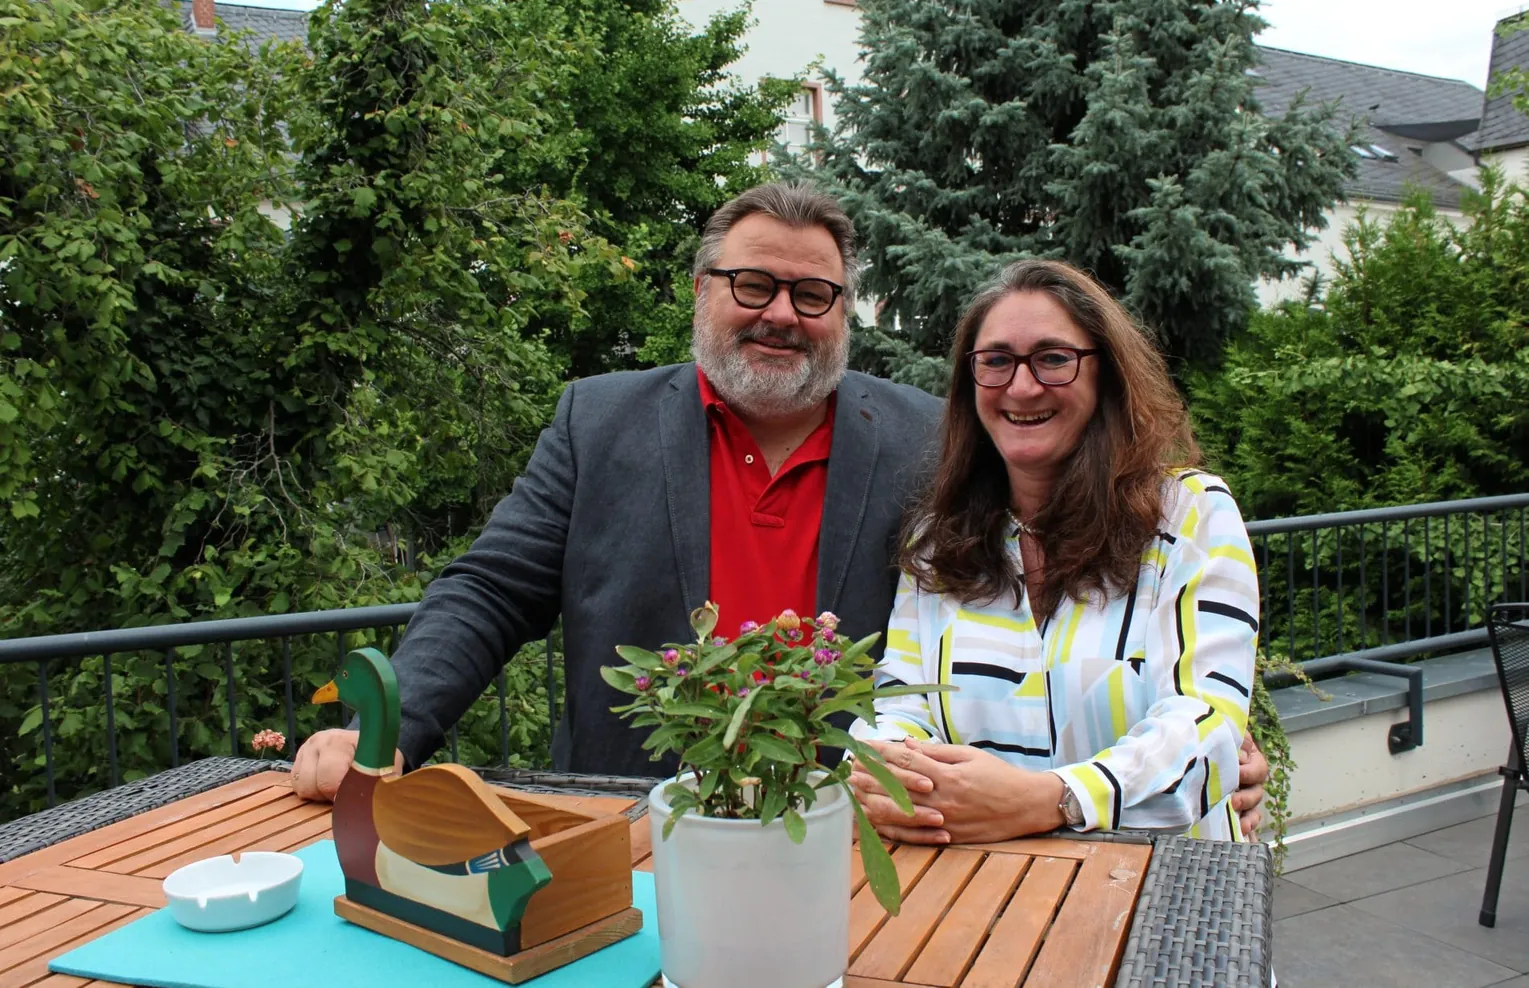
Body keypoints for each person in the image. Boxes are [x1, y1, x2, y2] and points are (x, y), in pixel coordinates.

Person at [290, 183, 1271, 836]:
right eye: (752, 283)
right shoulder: (600, 422)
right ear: (701, 289)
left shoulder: (931, 443)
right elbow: (491, 589)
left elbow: (1029, 636)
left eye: (813, 293)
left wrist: (1194, 754)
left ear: (845, 310)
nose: (780, 313)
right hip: (642, 829)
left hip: (861, 840)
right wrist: (392, 728)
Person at [848, 259, 1260, 844]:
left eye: (1053, 358)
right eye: (995, 361)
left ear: (1106, 375)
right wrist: (884, 778)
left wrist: (1056, 799)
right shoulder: (938, 541)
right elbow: (900, 705)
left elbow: (1206, 724)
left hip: (1162, 902)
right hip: (985, 891)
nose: (1021, 386)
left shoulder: (1190, 516)